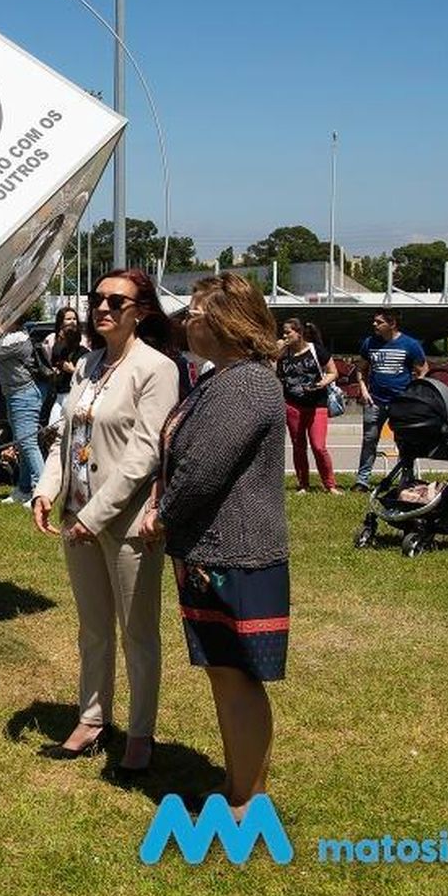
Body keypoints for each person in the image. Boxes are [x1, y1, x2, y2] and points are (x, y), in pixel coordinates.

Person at [142, 273, 289, 819]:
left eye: (198, 312)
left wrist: (162, 515)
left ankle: (249, 798)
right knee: (224, 674)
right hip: (211, 550)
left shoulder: (245, 383)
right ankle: (236, 784)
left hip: (236, 552)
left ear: (228, 321)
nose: (187, 321)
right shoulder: (219, 378)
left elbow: (203, 470)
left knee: (237, 676)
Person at [31, 269, 178, 772]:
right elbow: (68, 435)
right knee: (93, 629)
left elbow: (144, 455)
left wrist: (95, 516)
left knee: (138, 632)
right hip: (77, 517)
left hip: (128, 522)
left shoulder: (156, 368)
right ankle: (92, 718)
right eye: (98, 298)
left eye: (118, 300)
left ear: (142, 310)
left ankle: (141, 732)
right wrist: (47, 489)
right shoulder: (88, 365)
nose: (104, 307)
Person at [354, 309, 427, 491]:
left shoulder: (410, 344)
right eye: (374, 321)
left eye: (379, 322)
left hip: (401, 402)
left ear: (392, 324)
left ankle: (406, 478)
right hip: (375, 401)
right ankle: (362, 480)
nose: (374, 325)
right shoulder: (369, 343)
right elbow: (361, 368)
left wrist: (413, 393)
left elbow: (422, 370)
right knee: (369, 439)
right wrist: (364, 389)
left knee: (403, 441)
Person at [0, 315, 47, 505]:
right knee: (22, 444)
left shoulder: (15, 339)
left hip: (23, 395)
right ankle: (24, 488)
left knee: (28, 444)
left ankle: (41, 491)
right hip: (16, 394)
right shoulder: (15, 337)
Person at [277, 318, 339, 495]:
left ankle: (330, 484)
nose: (284, 335)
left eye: (288, 332)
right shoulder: (284, 353)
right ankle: (303, 484)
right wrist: (278, 348)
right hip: (292, 404)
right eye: (283, 332)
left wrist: (322, 383)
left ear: (299, 333)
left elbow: (332, 372)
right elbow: (269, 364)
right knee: (298, 446)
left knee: (319, 446)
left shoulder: (315, 350)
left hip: (317, 404)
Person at [43, 306, 86, 426]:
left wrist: (72, 370)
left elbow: (88, 373)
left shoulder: (84, 345)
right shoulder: (51, 340)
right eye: (68, 319)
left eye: (74, 318)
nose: (72, 321)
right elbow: (50, 361)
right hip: (58, 390)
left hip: (74, 393)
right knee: (53, 426)